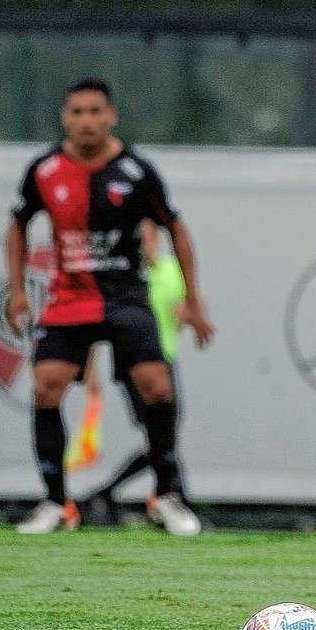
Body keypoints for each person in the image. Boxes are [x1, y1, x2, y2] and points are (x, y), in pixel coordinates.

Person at [7, 77, 213, 535]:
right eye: (77, 112)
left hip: (125, 296)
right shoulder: (44, 169)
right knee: (46, 386)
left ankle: (168, 495)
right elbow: (18, 223)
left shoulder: (136, 170)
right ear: (65, 117)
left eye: (96, 111)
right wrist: (18, 289)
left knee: (157, 387)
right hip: (69, 298)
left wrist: (193, 301)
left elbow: (175, 229)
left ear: (111, 116)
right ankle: (56, 502)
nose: (87, 120)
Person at [81, 219, 199, 530]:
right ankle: (174, 501)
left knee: (165, 437)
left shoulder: (171, 269)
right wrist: (88, 367)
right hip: (133, 364)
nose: (143, 244)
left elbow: (186, 307)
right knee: (163, 437)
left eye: (147, 237)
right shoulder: (122, 276)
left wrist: (186, 314)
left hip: (164, 362)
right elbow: (96, 322)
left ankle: (115, 494)